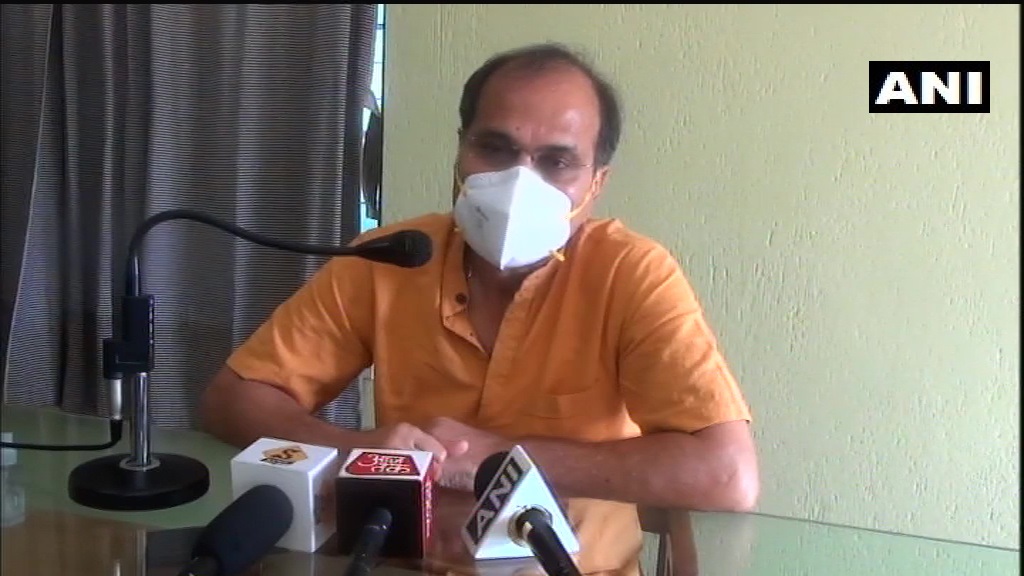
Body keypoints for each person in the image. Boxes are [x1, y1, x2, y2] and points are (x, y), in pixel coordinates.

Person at [200, 42, 759, 573]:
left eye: (557, 161)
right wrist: (358, 450)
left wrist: (500, 461)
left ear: (596, 183)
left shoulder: (631, 274)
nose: (519, 182)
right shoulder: (391, 257)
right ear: (460, 151)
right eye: (495, 149)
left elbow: (728, 475)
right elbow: (231, 400)